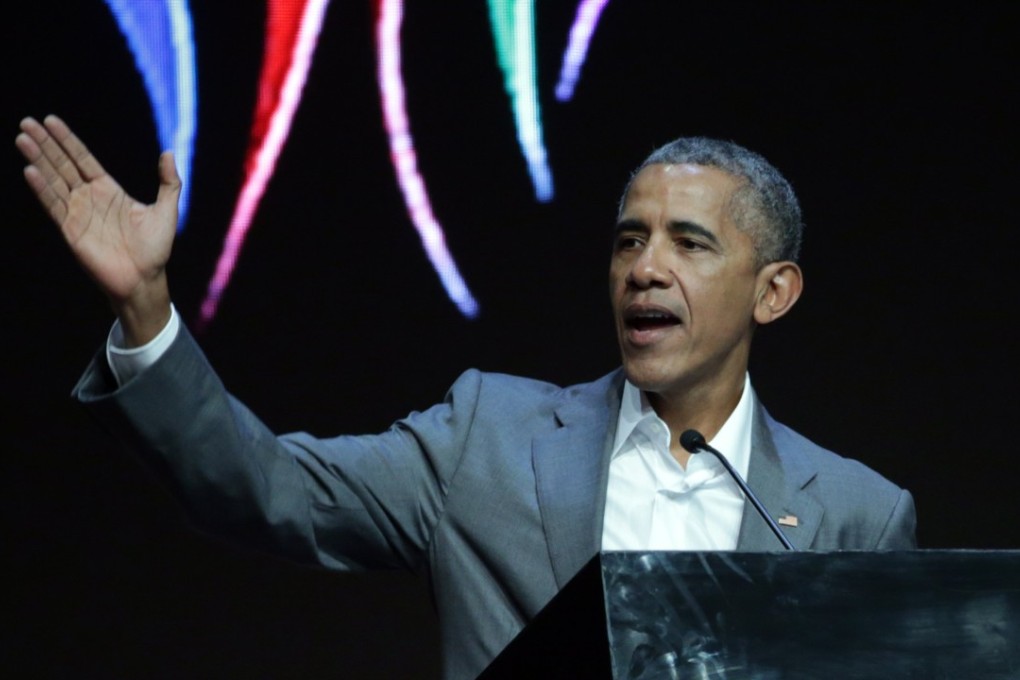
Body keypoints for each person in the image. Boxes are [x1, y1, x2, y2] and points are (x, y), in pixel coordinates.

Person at [16, 114, 916, 680]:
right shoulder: (489, 436)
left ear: (774, 292)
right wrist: (146, 308)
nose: (645, 269)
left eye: (689, 244)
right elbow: (267, 489)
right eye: (628, 241)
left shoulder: (855, 517)